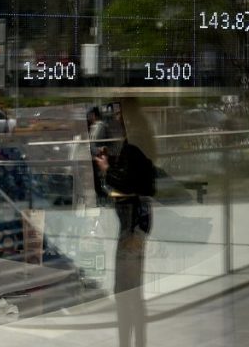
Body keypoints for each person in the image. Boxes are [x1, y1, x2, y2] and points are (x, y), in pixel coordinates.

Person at [93, 101, 156, 347]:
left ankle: (127, 343)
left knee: (124, 291)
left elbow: (128, 183)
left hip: (131, 223)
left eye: (120, 112)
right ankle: (137, 342)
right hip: (137, 221)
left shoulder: (134, 147)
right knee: (132, 291)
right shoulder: (140, 143)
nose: (116, 117)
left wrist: (107, 169)